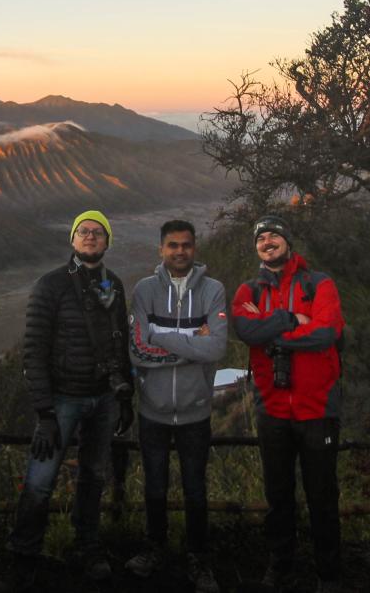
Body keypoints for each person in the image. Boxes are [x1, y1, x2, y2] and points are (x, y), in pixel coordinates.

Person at [0, 210, 135, 593]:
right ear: (72, 240)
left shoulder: (114, 285)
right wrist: (45, 412)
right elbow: (34, 351)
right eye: (83, 231)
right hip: (62, 401)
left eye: (98, 232)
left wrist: (125, 396)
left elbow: (121, 343)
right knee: (39, 482)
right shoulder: (50, 286)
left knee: (93, 477)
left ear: (107, 241)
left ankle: (86, 549)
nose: (90, 237)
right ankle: (23, 560)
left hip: (103, 398)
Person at [231, 214, 344, 593]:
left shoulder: (319, 283)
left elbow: (326, 332)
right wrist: (292, 319)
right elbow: (246, 329)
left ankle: (328, 574)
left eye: (273, 235)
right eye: (260, 237)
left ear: (288, 242)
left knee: (322, 495)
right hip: (272, 409)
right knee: (278, 495)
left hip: (317, 408)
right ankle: (280, 567)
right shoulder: (248, 291)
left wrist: (276, 338)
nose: (267, 241)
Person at [125, 219, 227, 593]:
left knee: (195, 489)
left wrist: (162, 337)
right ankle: (154, 548)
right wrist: (190, 344)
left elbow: (216, 347)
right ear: (161, 250)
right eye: (172, 245)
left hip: (195, 410)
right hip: (152, 408)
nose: (179, 251)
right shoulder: (145, 290)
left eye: (186, 245)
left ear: (194, 248)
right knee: (154, 485)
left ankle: (198, 558)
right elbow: (137, 351)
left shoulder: (213, 290)